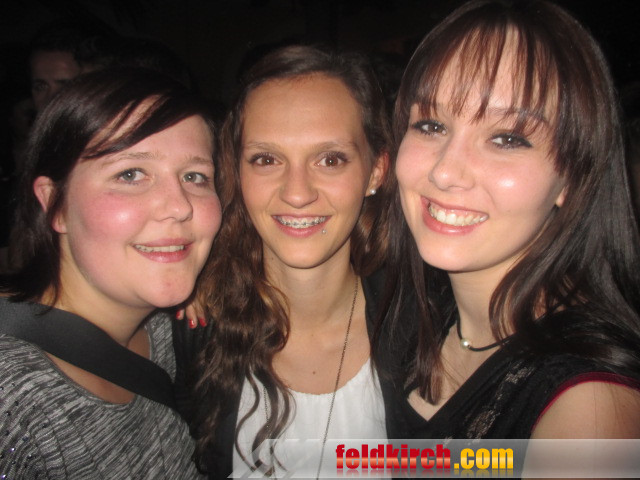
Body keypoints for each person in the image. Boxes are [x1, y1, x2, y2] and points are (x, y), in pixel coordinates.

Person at [383, 0, 640, 442]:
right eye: (431, 125)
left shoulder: (592, 411)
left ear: (572, 177)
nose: (445, 171)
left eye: (507, 138)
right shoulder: (420, 316)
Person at [173, 45, 396, 478]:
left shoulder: (423, 328)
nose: (297, 193)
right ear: (235, 170)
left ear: (375, 170)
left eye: (330, 159)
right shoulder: (194, 333)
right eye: (266, 159)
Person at [0, 67, 221, 478]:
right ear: (55, 204)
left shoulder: (172, 332)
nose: (179, 206)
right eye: (130, 174)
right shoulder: (12, 398)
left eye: (195, 176)